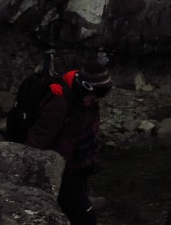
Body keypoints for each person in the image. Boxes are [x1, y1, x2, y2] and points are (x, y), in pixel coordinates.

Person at [26, 57, 113, 225]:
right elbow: (37, 140)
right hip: (61, 170)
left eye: (102, 93)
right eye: (97, 93)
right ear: (85, 87)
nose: (98, 98)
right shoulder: (60, 102)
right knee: (86, 217)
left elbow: (87, 133)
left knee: (77, 214)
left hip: (77, 167)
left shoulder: (88, 102)